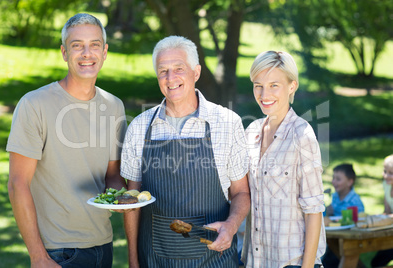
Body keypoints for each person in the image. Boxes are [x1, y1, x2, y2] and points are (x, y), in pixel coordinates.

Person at [6, 13, 127, 267]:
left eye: (94, 45)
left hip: (103, 246)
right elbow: (18, 184)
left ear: (104, 52)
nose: (86, 53)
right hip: (57, 251)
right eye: (76, 45)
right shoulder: (34, 104)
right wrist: (38, 257)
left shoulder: (114, 106)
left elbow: (112, 175)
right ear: (64, 52)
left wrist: (121, 197)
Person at [121, 35, 250, 267]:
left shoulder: (227, 123)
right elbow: (131, 202)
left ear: (196, 73)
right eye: (163, 71)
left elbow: (241, 193)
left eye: (179, 68)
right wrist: (133, 260)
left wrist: (231, 227)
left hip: (215, 259)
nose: (171, 78)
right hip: (155, 259)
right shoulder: (139, 127)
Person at [241, 51, 326, 267]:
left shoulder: (302, 136)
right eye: (258, 85)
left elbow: (314, 211)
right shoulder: (251, 132)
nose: (264, 93)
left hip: (293, 262)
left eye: (274, 85)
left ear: (292, 86)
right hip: (256, 261)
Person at [322, 163, 365, 267]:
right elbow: (332, 215)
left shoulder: (354, 200)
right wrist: (329, 211)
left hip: (350, 238)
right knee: (327, 260)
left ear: (350, 182)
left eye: (338, 179)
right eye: (333, 178)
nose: (333, 182)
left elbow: (360, 219)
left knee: (332, 261)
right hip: (335, 238)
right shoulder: (335, 196)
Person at [371, 154, 393, 268]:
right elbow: (387, 211)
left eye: (391, 173)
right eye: (385, 171)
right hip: (390, 233)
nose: (386, 176)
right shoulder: (386, 185)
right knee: (376, 263)